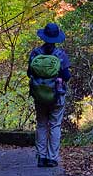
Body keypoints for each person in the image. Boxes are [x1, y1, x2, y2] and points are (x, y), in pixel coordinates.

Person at [28, 22, 71, 167]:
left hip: (39, 95)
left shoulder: (35, 54)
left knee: (41, 124)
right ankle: (52, 158)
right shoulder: (60, 55)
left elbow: (29, 73)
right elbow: (67, 75)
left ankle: (41, 157)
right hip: (56, 95)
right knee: (55, 125)